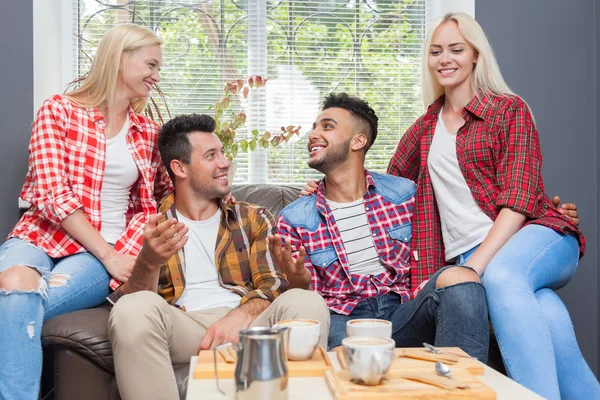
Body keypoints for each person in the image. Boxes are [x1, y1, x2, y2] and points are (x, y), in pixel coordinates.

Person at [386, 12, 599, 399]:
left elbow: (518, 202)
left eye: (456, 49)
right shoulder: (424, 128)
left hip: (537, 235)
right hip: (478, 255)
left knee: (502, 277)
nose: (444, 58)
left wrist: (471, 269)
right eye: (436, 51)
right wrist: (325, 187)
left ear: (475, 56)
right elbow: (386, 185)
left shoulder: (508, 110)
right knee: (549, 319)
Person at [0, 24, 172, 400]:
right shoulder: (59, 111)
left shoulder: (147, 132)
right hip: (40, 238)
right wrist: (111, 257)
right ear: (120, 58)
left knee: (15, 299)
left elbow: (170, 191)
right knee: (15, 284)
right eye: (151, 64)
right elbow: (50, 192)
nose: (156, 77)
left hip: (95, 254)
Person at [107, 114, 330, 400]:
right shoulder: (148, 225)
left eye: (222, 153)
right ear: (180, 168)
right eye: (211, 156)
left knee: (307, 301)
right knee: (130, 309)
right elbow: (134, 307)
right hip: (185, 327)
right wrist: (148, 262)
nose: (224, 162)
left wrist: (241, 315)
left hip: (252, 326)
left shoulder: (252, 217)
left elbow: (273, 284)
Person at [268, 93, 490, 361]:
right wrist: (297, 281)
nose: (313, 134)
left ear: (358, 141)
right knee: (349, 361)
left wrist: (541, 216)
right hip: (342, 317)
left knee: (462, 277)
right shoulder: (294, 217)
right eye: (314, 127)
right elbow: (302, 304)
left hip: (403, 312)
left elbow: (469, 214)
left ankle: (465, 387)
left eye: (327, 126)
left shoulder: (405, 194)